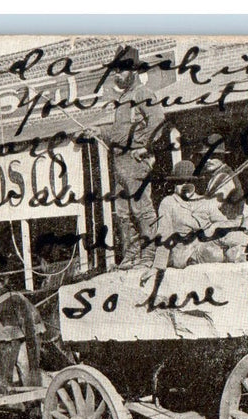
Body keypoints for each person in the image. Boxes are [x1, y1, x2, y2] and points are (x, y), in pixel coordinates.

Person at [87, 46, 166, 268]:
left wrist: (145, 147)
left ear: (132, 71)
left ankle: (148, 255)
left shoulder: (143, 94)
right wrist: (99, 131)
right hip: (119, 162)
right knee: (123, 211)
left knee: (141, 209)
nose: (116, 75)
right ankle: (131, 255)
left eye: (120, 71)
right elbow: (120, 132)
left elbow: (158, 122)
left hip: (135, 161)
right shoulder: (123, 99)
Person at [156, 160, 248, 268]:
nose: (185, 186)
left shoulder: (203, 201)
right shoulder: (168, 203)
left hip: (209, 244)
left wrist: (241, 223)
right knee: (216, 246)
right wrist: (158, 266)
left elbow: (223, 222)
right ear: (174, 185)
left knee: (231, 246)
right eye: (180, 182)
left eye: (189, 181)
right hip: (187, 252)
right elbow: (164, 235)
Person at [195, 133, 246, 219]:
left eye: (212, 156)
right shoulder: (217, 174)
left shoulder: (224, 176)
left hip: (228, 226)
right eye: (205, 156)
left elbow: (211, 206)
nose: (207, 160)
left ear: (222, 156)